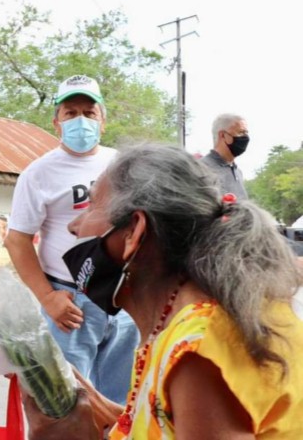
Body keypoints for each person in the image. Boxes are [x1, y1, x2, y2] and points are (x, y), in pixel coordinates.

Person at [23, 144, 303, 439]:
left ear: (134, 231)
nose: (73, 225)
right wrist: (99, 406)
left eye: (92, 206)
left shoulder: (198, 353)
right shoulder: (190, 319)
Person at [4, 74, 139, 405]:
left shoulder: (123, 165)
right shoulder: (38, 173)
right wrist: (48, 298)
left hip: (126, 299)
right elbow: (17, 240)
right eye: (71, 112)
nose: (81, 120)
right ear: (56, 123)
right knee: (67, 406)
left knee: (123, 405)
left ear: (103, 121)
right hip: (71, 303)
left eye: (89, 112)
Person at [201, 113, 250, 199]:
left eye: (246, 133)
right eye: (241, 132)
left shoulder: (238, 172)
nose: (246, 137)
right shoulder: (202, 169)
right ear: (223, 135)